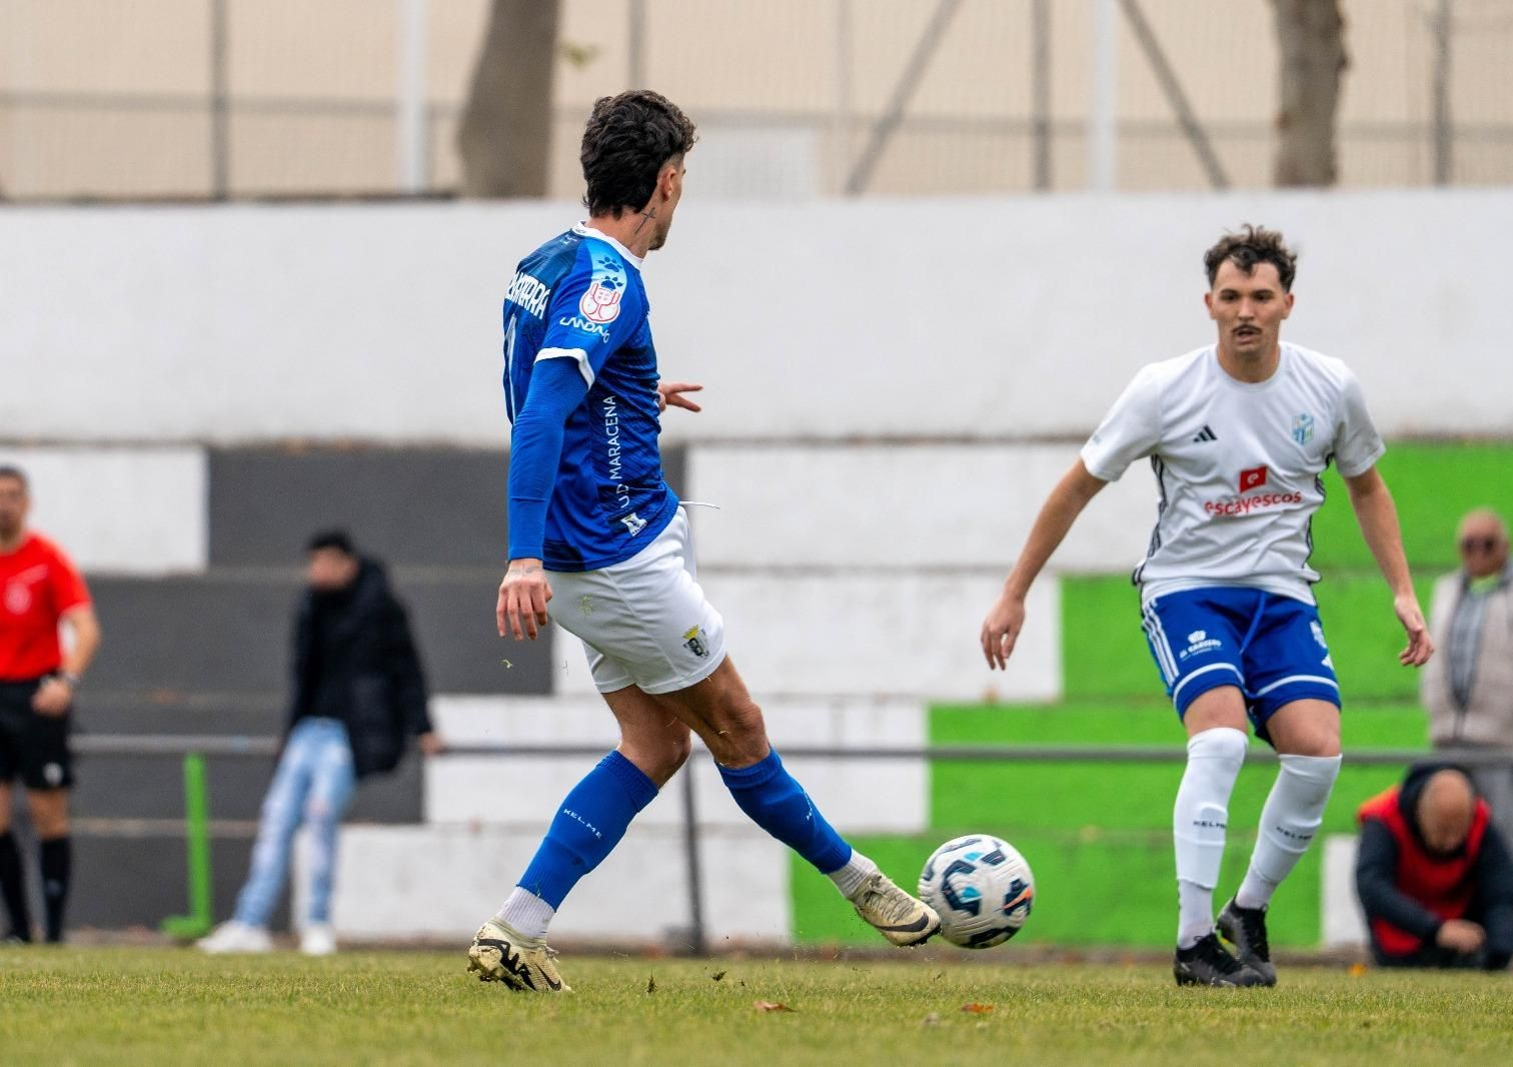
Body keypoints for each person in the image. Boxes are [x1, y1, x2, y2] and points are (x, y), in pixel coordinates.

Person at [468, 89, 938, 993]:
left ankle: (516, 928)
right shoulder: (611, 281)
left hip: (583, 560)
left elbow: (548, 388)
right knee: (739, 726)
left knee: (654, 745)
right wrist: (520, 554)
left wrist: (634, 395)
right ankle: (861, 883)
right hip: (614, 559)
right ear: (667, 183)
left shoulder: (544, 260)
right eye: (682, 176)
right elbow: (543, 412)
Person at [980, 226, 1434, 987]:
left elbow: (1367, 486)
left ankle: (1246, 909)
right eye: (1231, 297)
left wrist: (1403, 590)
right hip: (1187, 591)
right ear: (1209, 304)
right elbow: (1079, 485)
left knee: (1318, 754)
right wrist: (1014, 591)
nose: (1245, 310)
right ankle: (1194, 943)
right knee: (1220, 742)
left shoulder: (1330, 387)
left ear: (1287, 303)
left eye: (1260, 296)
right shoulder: (1165, 389)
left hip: (1282, 596)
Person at [198, 530, 439, 956]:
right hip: (307, 730)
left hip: (348, 734)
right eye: (313, 563)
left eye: (326, 562)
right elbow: (302, 677)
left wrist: (422, 726)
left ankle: (317, 923)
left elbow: (407, 669)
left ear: (348, 563)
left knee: (321, 816)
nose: (317, 571)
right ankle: (250, 922)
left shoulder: (381, 607)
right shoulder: (310, 605)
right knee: (276, 819)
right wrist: (288, 732)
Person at [1422, 508, 1513, 900]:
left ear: (1505, 545)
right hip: (1448, 739)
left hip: (1502, 742)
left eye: (1487, 544)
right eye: (1468, 545)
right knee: (1446, 832)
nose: (1477, 553)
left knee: (1508, 833)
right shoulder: (1446, 590)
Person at [0, 465, 102, 944]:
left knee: (49, 816)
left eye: (12, 496)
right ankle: (20, 929)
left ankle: (55, 933)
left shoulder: (46, 559)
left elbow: (86, 627)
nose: (4, 505)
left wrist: (67, 681)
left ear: (28, 503)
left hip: (37, 699)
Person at [1355, 764, 1513, 970]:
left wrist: (1501, 940)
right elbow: (1372, 887)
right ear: (1421, 812)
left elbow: (1502, 884)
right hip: (1402, 938)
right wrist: (1436, 929)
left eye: (1458, 831)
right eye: (1442, 831)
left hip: (1463, 933)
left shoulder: (1479, 816)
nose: (1451, 842)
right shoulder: (1383, 818)